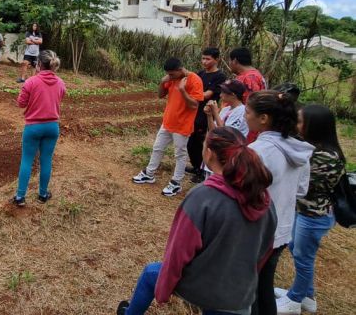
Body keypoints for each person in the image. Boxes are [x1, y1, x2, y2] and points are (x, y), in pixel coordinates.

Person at [117, 127, 276, 315]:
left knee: (152, 274)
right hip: (240, 294)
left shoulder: (203, 197)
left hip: (205, 289)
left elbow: (178, 252)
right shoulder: (263, 199)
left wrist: (163, 291)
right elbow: (266, 250)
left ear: (208, 154)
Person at [245, 91, 314, 315]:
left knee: (248, 288)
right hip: (282, 230)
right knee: (264, 283)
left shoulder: (257, 152)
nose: (245, 116)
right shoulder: (300, 150)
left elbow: (241, 191)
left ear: (264, 118)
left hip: (257, 232)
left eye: (248, 112)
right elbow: (302, 190)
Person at [275, 105, 346, 315]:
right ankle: (307, 296)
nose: (296, 126)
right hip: (304, 211)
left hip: (314, 216)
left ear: (314, 126)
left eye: (299, 121)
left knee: (304, 258)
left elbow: (303, 181)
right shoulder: (312, 148)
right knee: (297, 251)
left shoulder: (327, 157)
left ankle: (295, 300)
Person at [133, 58, 204, 196]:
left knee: (180, 154)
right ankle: (149, 173)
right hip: (167, 122)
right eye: (168, 74)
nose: (170, 77)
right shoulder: (171, 79)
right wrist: (162, 81)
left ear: (180, 69)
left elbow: (194, 105)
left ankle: (176, 183)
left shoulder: (195, 80)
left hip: (182, 125)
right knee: (157, 148)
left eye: (172, 74)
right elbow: (160, 95)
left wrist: (183, 90)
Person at [11, 50, 66, 206]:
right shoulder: (61, 82)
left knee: (27, 160)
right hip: (52, 127)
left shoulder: (31, 82)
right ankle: (43, 194)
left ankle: (20, 197)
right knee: (46, 160)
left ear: (39, 65)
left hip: (33, 127)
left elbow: (21, 103)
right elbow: (60, 96)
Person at [186, 47, 226, 183]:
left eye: (208, 59)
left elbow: (206, 95)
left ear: (216, 59)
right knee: (191, 143)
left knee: (201, 143)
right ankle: (197, 166)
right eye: (203, 58)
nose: (204, 61)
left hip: (206, 114)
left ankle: (202, 171)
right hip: (195, 111)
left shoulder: (220, 76)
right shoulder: (200, 74)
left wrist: (189, 95)